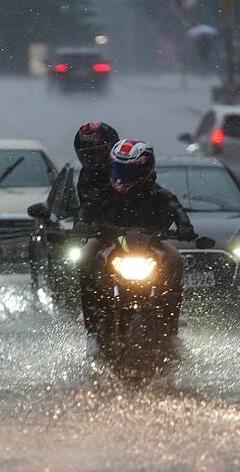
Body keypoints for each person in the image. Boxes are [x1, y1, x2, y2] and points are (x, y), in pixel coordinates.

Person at [78, 139, 196, 339]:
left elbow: (175, 207)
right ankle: (92, 327)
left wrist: (185, 227)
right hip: (108, 240)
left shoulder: (158, 193)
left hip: (150, 243)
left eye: (129, 171)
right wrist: (81, 225)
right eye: (118, 170)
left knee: (176, 259)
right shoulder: (105, 193)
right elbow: (87, 209)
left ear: (144, 170)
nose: (122, 177)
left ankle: (171, 327)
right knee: (84, 259)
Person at [72, 121, 119, 227]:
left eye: (97, 152)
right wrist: (81, 224)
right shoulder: (86, 175)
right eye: (87, 154)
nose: (92, 158)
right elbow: (86, 206)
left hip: (129, 228)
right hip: (100, 231)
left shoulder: (122, 170)